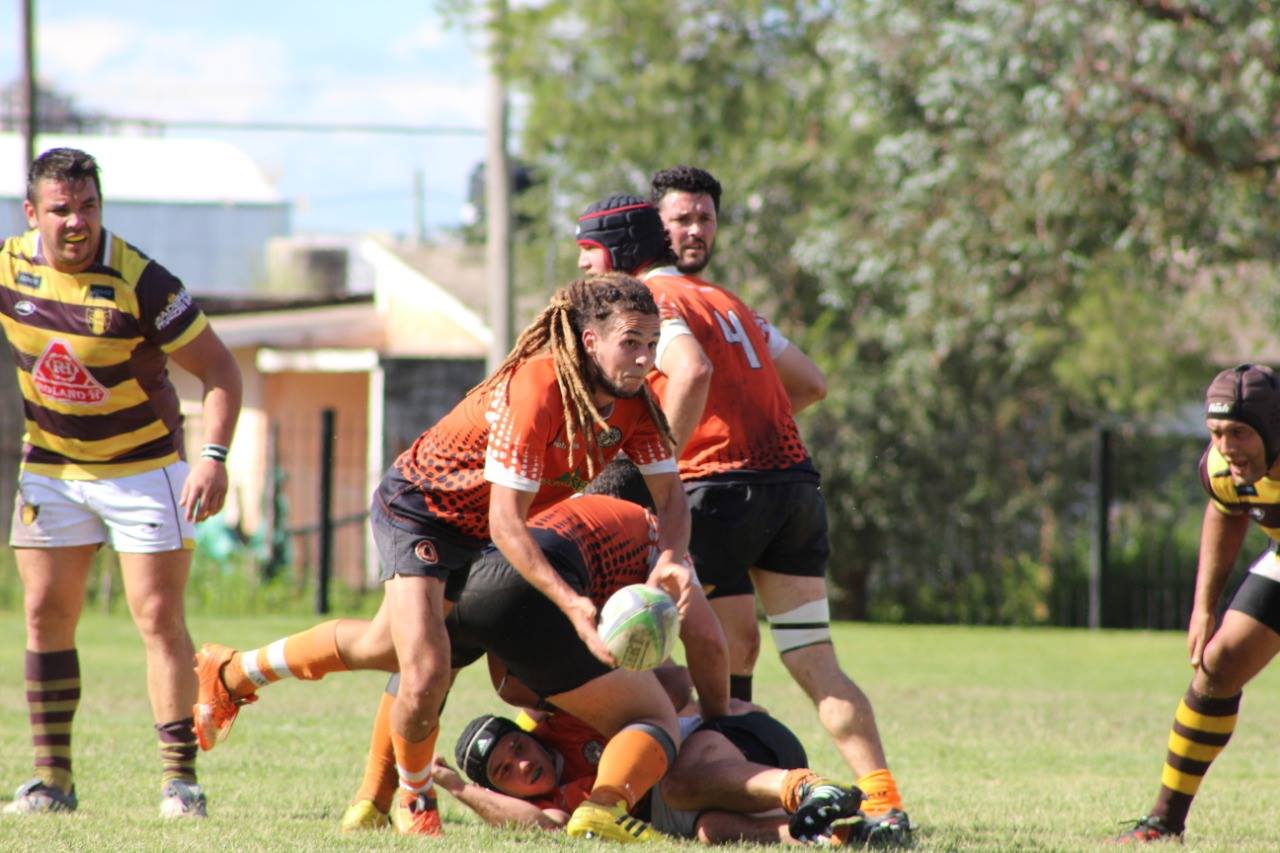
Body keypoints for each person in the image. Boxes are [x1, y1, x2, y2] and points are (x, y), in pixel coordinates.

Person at [192, 274, 694, 836]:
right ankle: (412, 796)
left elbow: (672, 499)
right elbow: (507, 524)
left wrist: (673, 555)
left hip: (480, 530)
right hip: (422, 508)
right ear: (589, 341)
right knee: (426, 668)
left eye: (652, 343)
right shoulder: (536, 391)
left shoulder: (637, 405)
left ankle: (235, 672)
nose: (646, 358)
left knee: (381, 646)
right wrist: (570, 601)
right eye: (632, 341)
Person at [575, 179, 912, 844]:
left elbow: (691, 369)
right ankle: (886, 803)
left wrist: (659, 461)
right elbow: (811, 382)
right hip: (792, 487)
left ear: (616, 251)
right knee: (813, 658)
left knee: (714, 665)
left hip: (718, 492)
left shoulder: (653, 299)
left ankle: (736, 792)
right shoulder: (729, 299)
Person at [0, 147, 243, 817]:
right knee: (45, 615)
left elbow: (220, 370)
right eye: (61, 209)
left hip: (143, 469)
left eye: (88, 207)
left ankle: (180, 783)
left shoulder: (143, 281)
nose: (76, 222)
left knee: (158, 617)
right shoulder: (9, 265)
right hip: (50, 466)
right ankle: (51, 782)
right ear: (32, 214)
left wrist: (213, 456)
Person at [1116, 364, 1280, 843]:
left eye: (1240, 433)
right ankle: (1164, 823)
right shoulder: (1220, 467)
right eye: (1217, 432)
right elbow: (1226, 510)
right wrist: (1203, 608)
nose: (1228, 447)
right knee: (1220, 663)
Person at [438, 704, 865, 845]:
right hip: (691, 800)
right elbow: (545, 826)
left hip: (730, 739)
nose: (524, 764)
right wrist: (457, 788)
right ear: (497, 789)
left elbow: (670, 686)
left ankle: (809, 788)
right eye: (504, 770)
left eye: (518, 746)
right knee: (711, 832)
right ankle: (840, 835)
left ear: (529, 734)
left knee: (677, 786)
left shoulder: (567, 717)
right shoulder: (543, 807)